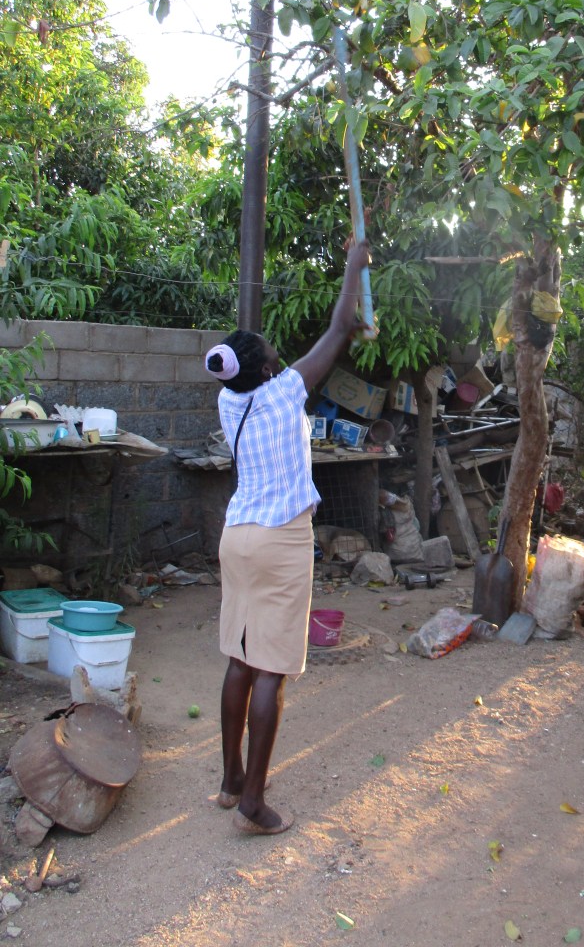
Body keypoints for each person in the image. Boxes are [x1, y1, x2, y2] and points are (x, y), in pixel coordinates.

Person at [203, 241, 370, 835]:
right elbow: (338, 329)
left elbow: (264, 361)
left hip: (237, 536)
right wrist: (353, 267)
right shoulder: (284, 391)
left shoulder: (229, 402)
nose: (279, 353)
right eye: (271, 350)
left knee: (240, 660)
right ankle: (253, 802)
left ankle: (231, 780)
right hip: (280, 540)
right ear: (268, 368)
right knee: (270, 668)